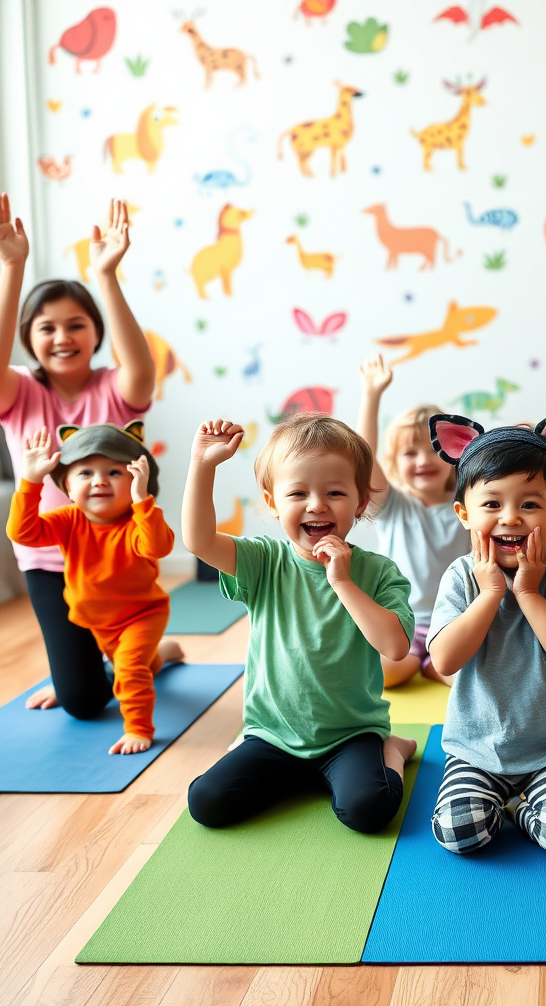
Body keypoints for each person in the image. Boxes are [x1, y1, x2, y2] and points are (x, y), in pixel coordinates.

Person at [181, 414, 419, 832]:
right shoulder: (262, 561)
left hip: (350, 734)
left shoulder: (379, 572)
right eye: (298, 493)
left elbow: (396, 648)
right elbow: (199, 540)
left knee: (369, 811)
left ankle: (393, 751)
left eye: (334, 492)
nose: (316, 504)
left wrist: (343, 582)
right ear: (273, 503)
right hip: (273, 734)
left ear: (361, 502)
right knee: (206, 803)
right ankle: (291, 772)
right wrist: (203, 465)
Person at [0, 195, 168, 717]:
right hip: (52, 560)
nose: (62, 336)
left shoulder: (117, 389)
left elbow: (139, 362)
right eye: (46, 327)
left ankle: (144, 653)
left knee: (123, 660)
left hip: (117, 557)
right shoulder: (18, 392)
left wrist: (106, 275)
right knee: (82, 701)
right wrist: (13, 267)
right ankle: (118, 664)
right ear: (28, 336)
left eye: (76, 324)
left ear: (95, 332)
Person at [426, 411, 546, 854]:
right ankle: (504, 803)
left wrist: (527, 591)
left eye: (529, 504)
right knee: (457, 832)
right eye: (491, 504)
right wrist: (490, 593)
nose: (510, 518)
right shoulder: (461, 576)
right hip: (475, 749)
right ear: (464, 514)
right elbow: (444, 660)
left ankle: (521, 808)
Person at [7, 422, 178, 754]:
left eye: (114, 472)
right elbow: (24, 533)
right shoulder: (68, 519)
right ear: (67, 487)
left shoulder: (138, 521)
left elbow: (157, 547)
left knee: (128, 667)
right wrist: (30, 482)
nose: (99, 480)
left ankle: (138, 727)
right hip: (93, 619)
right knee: (135, 665)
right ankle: (164, 653)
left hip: (140, 616)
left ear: (135, 482)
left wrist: (143, 501)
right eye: (85, 473)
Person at [355, 353, 470, 687]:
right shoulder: (392, 506)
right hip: (402, 623)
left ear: (453, 455)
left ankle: (434, 665)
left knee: (466, 677)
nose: (423, 460)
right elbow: (362, 455)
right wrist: (371, 394)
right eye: (410, 452)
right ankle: (420, 662)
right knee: (384, 674)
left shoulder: (468, 507)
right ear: (394, 461)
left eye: (434, 450)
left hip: (455, 621)